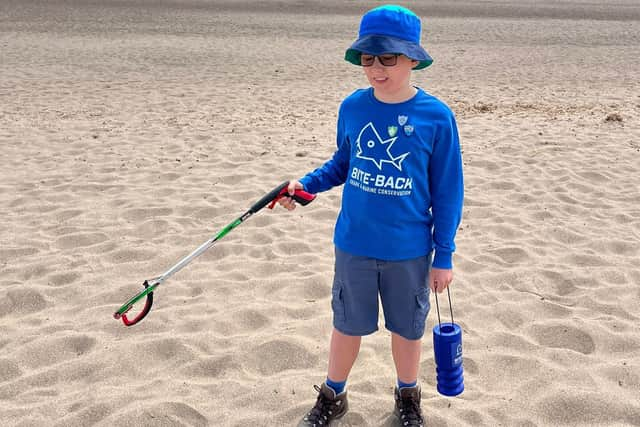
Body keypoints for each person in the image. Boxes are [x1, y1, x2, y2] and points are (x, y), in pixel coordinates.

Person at [278, 5, 464, 426]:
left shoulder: (436, 117)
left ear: (412, 59)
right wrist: (305, 188)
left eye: (388, 58)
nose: (376, 68)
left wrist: (444, 255)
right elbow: (342, 163)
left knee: (408, 330)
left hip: (409, 250)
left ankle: (408, 395)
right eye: (368, 58)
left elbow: (448, 191)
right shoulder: (354, 107)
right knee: (346, 325)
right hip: (355, 244)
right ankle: (333, 394)